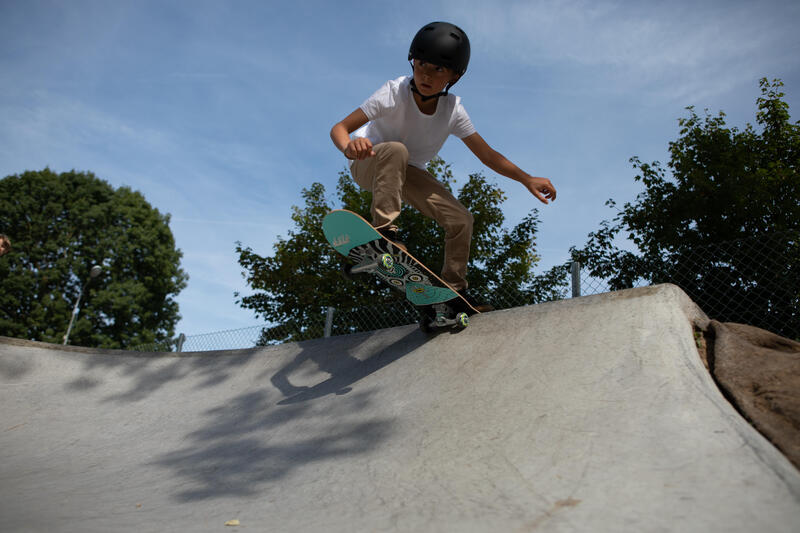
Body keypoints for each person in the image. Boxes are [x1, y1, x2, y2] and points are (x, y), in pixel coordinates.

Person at [330, 21, 556, 310]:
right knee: (396, 150)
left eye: (438, 69)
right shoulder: (393, 92)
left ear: (454, 76)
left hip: (408, 173)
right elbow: (339, 127)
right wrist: (349, 146)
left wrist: (526, 179)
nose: (426, 74)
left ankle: (454, 293)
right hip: (370, 162)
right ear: (412, 61)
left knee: (461, 219)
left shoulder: (453, 111)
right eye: (421, 64)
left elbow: (487, 155)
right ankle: (384, 234)